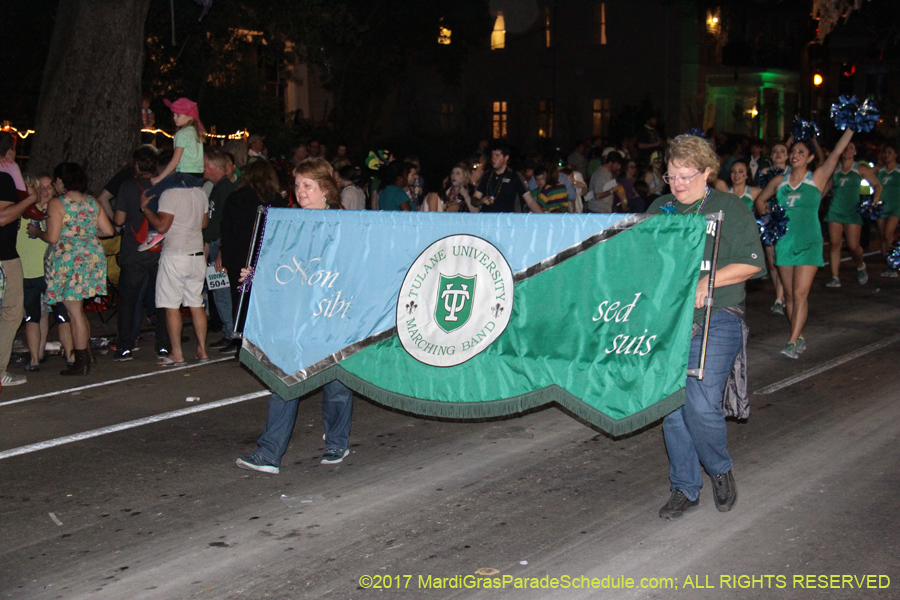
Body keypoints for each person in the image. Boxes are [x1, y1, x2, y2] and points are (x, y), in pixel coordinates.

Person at [648, 135, 765, 520]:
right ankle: (684, 486)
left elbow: (752, 264)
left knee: (699, 401)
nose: (678, 184)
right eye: (671, 176)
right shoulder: (659, 209)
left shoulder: (727, 207)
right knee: (672, 407)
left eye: (686, 176)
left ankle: (718, 469)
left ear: (707, 172)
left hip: (719, 316)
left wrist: (707, 281)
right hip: (671, 321)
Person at [237, 158, 355, 473]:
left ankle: (336, 443)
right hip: (297, 318)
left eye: (307, 186)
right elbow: (281, 267)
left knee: (336, 383)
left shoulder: (345, 225)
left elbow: (352, 269)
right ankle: (269, 453)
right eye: (297, 184)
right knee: (284, 377)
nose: (300, 191)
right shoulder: (290, 223)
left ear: (325, 191)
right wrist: (255, 275)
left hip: (332, 315)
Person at [755, 128, 856, 359]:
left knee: (800, 294)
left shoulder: (817, 177)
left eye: (801, 152)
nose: (795, 154)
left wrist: (850, 126)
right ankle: (798, 334)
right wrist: (769, 216)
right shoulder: (779, 181)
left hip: (809, 241)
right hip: (784, 242)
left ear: (810, 157)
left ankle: (791, 342)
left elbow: (837, 151)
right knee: (789, 296)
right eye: (793, 151)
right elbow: (761, 200)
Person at [31, 163, 114, 376]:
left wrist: (36, 232)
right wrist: (85, 233)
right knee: (77, 309)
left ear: (61, 181)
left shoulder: (58, 204)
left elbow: (52, 237)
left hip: (69, 260)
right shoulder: (91, 202)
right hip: (91, 257)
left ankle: (81, 361)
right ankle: (85, 352)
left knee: (74, 311)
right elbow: (108, 230)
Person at [217, 160, 287, 353]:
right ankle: (263, 340)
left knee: (241, 299)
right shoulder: (276, 200)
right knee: (264, 300)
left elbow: (227, 229)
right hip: (266, 260)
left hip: (240, 260)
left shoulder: (237, 198)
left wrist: (226, 256)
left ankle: (241, 339)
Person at [111, 147, 172, 362]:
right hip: (160, 250)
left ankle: (125, 345)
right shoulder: (164, 186)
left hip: (133, 252)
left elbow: (118, 220)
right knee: (163, 300)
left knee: (128, 301)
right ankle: (164, 344)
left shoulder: (128, 187)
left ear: (136, 166)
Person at [139, 183, 209, 366]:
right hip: (196, 255)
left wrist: (145, 208)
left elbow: (162, 226)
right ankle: (202, 349)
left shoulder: (170, 193)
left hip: (176, 255)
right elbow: (204, 223)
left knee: (171, 306)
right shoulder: (200, 192)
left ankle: (177, 353)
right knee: (196, 303)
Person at [18, 174, 74, 371]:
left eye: (48, 186)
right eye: (38, 187)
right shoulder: (23, 211)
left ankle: (70, 356)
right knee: (34, 315)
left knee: (61, 314)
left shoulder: (57, 209)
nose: (43, 191)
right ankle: (35, 358)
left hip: (52, 272)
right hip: (28, 271)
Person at [141, 98, 205, 251]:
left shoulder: (182, 134)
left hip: (185, 175)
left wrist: (159, 178)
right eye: (174, 115)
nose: (175, 118)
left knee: (150, 194)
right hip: (198, 177)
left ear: (189, 116)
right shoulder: (195, 133)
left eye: (178, 115)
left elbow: (175, 161)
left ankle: (153, 232)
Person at [824, 141, 881, 287]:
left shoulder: (860, 168)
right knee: (834, 244)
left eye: (851, 147)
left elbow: (877, 185)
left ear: (855, 152)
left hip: (852, 211)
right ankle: (835, 277)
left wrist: (874, 200)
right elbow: (825, 189)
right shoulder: (835, 169)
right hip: (835, 210)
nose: (848, 150)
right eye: (845, 147)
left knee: (853, 246)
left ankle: (860, 265)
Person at [202, 149, 238, 348]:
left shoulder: (225, 190)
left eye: (205, 164)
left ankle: (232, 333)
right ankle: (228, 331)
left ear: (213, 166)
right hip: (215, 245)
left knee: (222, 291)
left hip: (220, 247)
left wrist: (221, 251)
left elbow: (227, 223)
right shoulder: (217, 188)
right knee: (219, 291)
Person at [758, 141, 788, 316]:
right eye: (775, 151)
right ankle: (781, 294)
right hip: (768, 217)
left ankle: (779, 298)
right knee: (772, 261)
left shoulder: (791, 174)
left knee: (782, 258)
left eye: (782, 151)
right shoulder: (764, 173)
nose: (778, 154)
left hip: (784, 218)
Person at [471, 143, 543, 213]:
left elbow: (530, 201)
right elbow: (474, 199)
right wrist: (481, 201)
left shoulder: (515, 176)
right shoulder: (486, 176)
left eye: (497, 155)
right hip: (488, 220)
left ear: (506, 158)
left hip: (507, 221)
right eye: (492, 155)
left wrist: (545, 218)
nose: (493, 158)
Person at [876, 143, 900, 277]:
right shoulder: (880, 171)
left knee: (888, 234)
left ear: (896, 154)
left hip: (895, 206)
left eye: (890, 152)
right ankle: (888, 263)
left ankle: (892, 265)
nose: (886, 155)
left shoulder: (898, 171)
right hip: (881, 206)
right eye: (885, 153)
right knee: (883, 237)